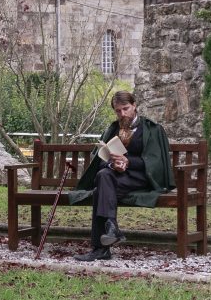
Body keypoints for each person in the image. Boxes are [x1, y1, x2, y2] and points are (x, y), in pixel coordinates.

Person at [70, 91, 174, 262]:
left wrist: (128, 162)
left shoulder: (151, 129)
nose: (122, 114)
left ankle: (101, 249)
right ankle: (111, 228)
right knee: (103, 175)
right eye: (118, 111)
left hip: (142, 179)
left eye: (126, 108)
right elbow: (101, 160)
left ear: (134, 105)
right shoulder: (113, 129)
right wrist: (114, 165)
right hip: (117, 178)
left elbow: (155, 162)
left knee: (100, 189)